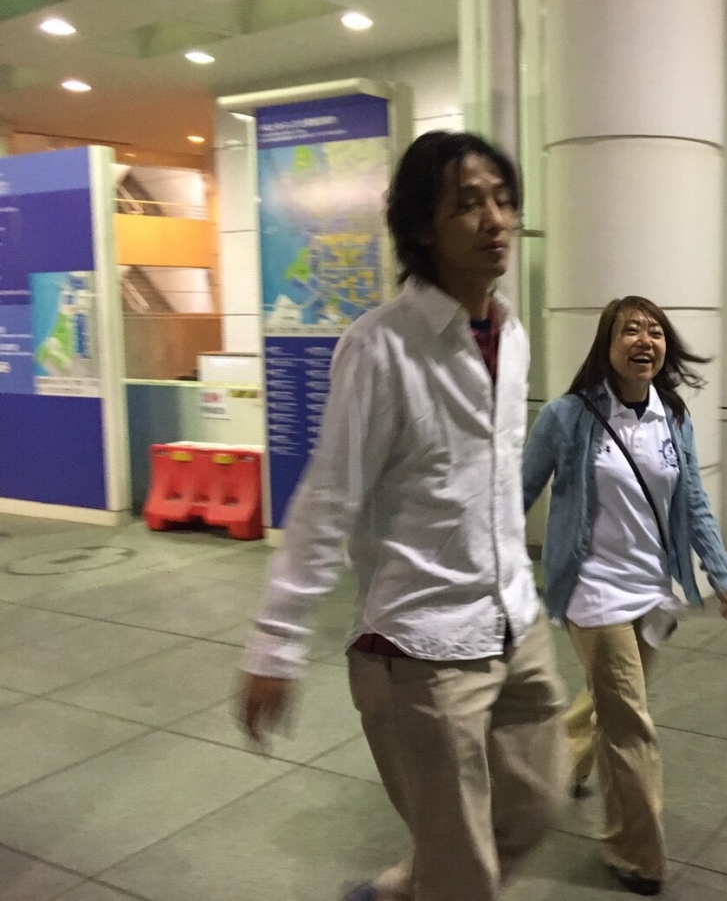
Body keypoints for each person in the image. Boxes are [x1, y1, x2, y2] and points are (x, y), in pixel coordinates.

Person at [236, 131, 568, 901]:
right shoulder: (380, 347)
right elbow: (329, 496)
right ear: (422, 227)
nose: (495, 219)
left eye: (503, 199)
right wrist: (276, 642)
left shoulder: (510, 333)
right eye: (468, 203)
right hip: (422, 643)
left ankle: (406, 889)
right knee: (463, 868)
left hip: (514, 617)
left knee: (539, 798)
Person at [522, 296, 727, 896]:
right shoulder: (568, 416)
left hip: (651, 590)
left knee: (612, 703)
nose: (645, 341)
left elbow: (692, 499)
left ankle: (559, 765)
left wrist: (719, 569)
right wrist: (489, 569)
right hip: (592, 590)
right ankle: (635, 852)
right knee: (630, 725)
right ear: (607, 343)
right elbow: (519, 489)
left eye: (655, 331)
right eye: (631, 330)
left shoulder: (672, 415)